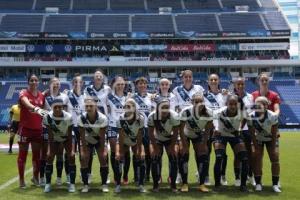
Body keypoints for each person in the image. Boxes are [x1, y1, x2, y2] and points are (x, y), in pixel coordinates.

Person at [173, 70, 205, 184]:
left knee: (199, 152)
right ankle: (179, 174)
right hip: (183, 122)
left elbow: (202, 105)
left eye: (190, 77)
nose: (187, 78)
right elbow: (176, 107)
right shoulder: (177, 90)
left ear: (192, 78)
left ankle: (199, 174)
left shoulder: (199, 88)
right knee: (182, 151)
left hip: (196, 123)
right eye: (185, 77)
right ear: (182, 78)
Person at [213, 95, 249, 192]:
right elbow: (213, 119)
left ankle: (243, 185)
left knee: (244, 158)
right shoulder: (219, 112)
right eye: (230, 104)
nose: (233, 106)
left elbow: (246, 118)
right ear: (226, 104)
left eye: (235, 104)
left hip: (234, 135)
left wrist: (241, 127)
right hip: (221, 135)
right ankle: (217, 185)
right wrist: (216, 128)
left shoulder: (242, 112)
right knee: (219, 157)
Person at [179, 93, 213, 192]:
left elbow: (207, 130)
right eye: (196, 102)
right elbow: (181, 130)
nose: (199, 103)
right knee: (184, 154)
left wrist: (204, 144)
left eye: (201, 101)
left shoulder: (209, 112)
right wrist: (184, 145)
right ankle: (184, 183)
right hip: (186, 134)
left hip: (198, 135)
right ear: (192, 102)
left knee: (203, 155)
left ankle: (202, 184)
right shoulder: (185, 111)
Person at [18, 74, 47, 188]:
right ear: (28, 82)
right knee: (22, 155)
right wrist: (35, 108)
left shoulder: (41, 96)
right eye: (31, 80)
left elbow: (45, 110)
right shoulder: (23, 93)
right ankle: (21, 180)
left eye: (35, 80)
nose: (34, 82)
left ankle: (35, 178)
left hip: (37, 130)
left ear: (38, 82)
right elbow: (26, 103)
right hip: (25, 129)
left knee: (37, 156)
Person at [248, 96, 281, 193]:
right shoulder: (251, 116)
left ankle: (275, 184)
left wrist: (274, 145)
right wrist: (255, 145)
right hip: (258, 139)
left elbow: (275, 132)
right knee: (257, 158)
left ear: (266, 106)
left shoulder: (272, 115)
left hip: (271, 138)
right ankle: (258, 183)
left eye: (261, 104)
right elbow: (251, 132)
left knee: (275, 158)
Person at [41, 77, 70, 186]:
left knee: (59, 154)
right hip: (46, 127)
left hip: (60, 129)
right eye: (54, 83)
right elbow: (40, 110)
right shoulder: (44, 96)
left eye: (58, 83)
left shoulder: (64, 97)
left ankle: (58, 178)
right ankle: (43, 177)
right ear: (50, 84)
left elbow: (66, 112)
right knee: (46, 154)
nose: (56, 85)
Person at [84, 70, 111, 184]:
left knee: (104, 150)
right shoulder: (88, 89)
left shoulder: (108, 89)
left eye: (100, 76)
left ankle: (106, 174)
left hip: (103, 124)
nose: (98, 77)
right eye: (96, 76)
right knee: (89, 150)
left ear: (103, 78)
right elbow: (87, 103)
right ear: (93, 78)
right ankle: (89, 174)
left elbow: (109, 105)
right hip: (91, 123)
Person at [148, 98, 180, 192]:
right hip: (157, 139)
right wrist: (154, 147)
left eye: (167, 107)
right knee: (155, 158)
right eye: (163, 107)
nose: (165, 109)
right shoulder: (152, 116)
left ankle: (173, 184)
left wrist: (173, 146)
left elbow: (175, 133)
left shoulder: (174, 115)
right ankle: (155, 184)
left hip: (171, 139)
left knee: (173, 158)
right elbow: (150, 133)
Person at [43, 99, 76, 193]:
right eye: (55, 107)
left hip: (67, 137)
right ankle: (48, 184)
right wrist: (50, 150)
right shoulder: (47, 117)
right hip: (55, 138)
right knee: (49, 156)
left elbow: (69, 135)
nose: (57, 109)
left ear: (63, 107)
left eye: (59, 107)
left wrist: (70, 151)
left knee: (71, 156)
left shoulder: (68, 117)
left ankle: (72, 184)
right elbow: (50, 136)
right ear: (52, 108)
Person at [114, 99, 146, 193]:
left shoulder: (140, 119)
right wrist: (120, 151)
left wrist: (140, 151)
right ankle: (118, 184)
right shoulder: (121, 118)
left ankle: (140, 184)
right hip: (123, 141)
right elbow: (121, 136)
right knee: (118, 158)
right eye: (126, 107)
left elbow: (140, 136)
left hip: (135, 141)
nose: (127, 109)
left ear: (134, 108)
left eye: (130, 106)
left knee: (141, 157)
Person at [78, 97, 109, 193]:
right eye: (87, 106)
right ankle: (85, 185)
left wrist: (103, 149)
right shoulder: (81, 118)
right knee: (84, 158)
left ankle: (104, 184)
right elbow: (82, 135)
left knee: (103, 158)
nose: (89, 108)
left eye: (91, 106)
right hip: (87, 139)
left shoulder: (102, 118)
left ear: (95, 106)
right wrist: (83, 149)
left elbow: (102, 136)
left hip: (99, 138)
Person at [203, 73, 227, 186]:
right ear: (208, 82)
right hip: (207, 128)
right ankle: (206, 176)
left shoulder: (225, 95)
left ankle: (222, 176)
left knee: (222, 154)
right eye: (211, 79)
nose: (213, 81)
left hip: (221, 128)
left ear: (219, 81)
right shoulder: (203, 96)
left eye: (215, 79)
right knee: (206, 153)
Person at [232, 77, 255, 186]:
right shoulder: (231, 97)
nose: (240, 86)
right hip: (235, 129)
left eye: (242, 84)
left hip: (247, 129)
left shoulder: (250, 97)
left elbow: (250, 113)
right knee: (237, 154)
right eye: (238, 84)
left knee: (250, 154)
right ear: (235, 85)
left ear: (244, 85)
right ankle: (237, 177)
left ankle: (250, 176)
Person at [106, 76, 127, 185]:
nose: (120, 86)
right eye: (118, 84)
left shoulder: (129, 97)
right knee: (115, 152)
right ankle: (116, 175)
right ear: (113, 85)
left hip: (125, 127)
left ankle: (123, 175)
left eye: (122, 84)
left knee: (124, 152)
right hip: (113, 126)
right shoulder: (108, 97)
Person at [132, 77, 153, 182]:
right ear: (136, 85)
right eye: (140, 83)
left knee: (149, 153)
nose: (142, 85)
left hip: (148, 128)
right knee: (136, 152)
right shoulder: (132, 97)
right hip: (136, 128)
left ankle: (147, 175)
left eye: (144, 83)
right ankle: (136, 175)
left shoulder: (152, 97)